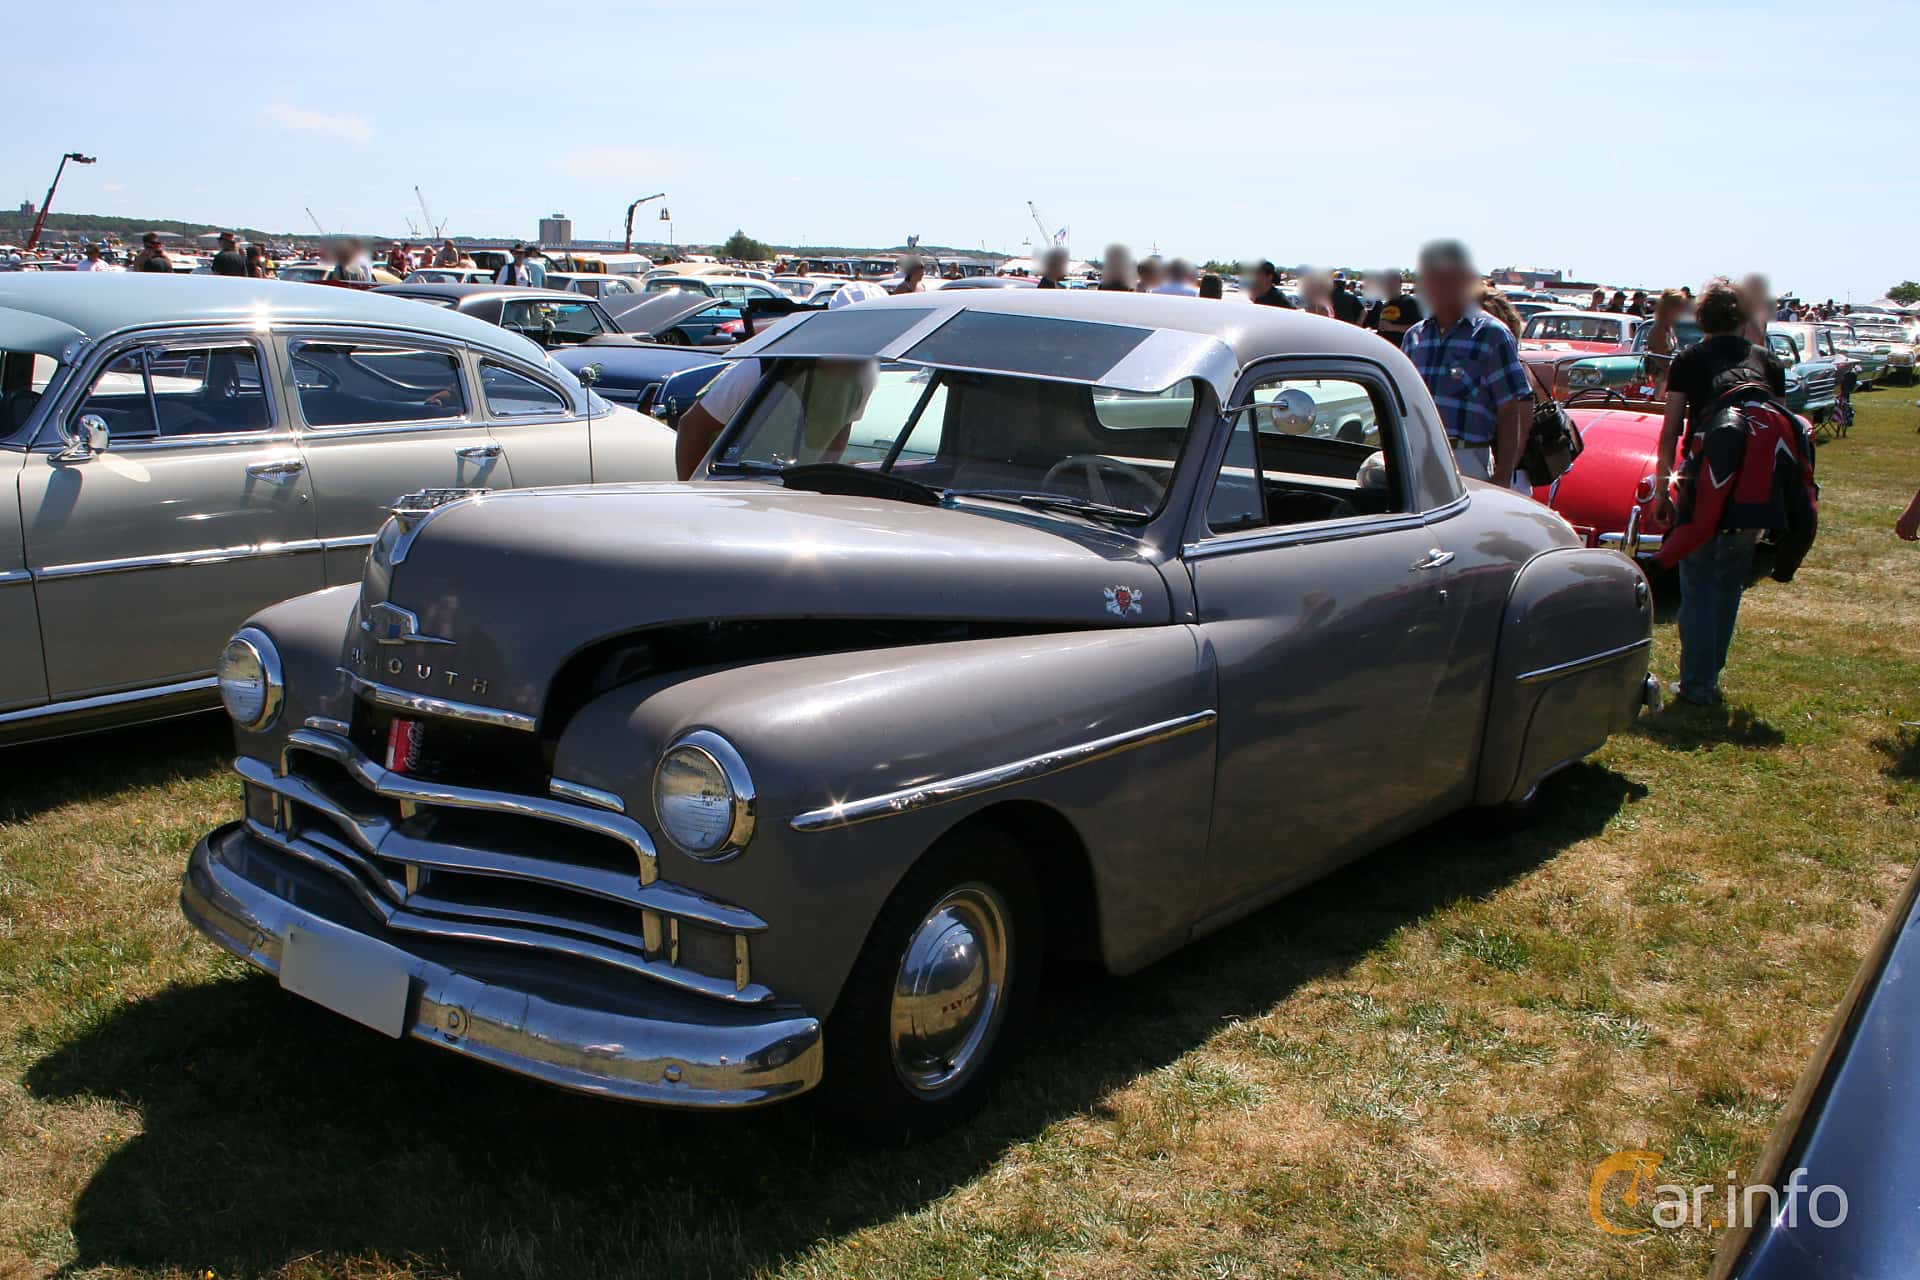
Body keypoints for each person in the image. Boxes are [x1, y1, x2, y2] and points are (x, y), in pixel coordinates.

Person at [1650, 280, 1793, 706]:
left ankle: (1696, 684)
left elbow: (1670, 430)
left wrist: (1662, 489)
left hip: (1703, 485)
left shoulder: (1689, 360)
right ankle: (1708, 676)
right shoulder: (1768, 362)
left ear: (1703, 318)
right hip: (1753, 487)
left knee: (1697, 583)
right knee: (1729, 584)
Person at [670, 282, 888, 479]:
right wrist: (694, 493)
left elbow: (839, 434)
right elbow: (693, 427)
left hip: (788, 495)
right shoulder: (763, 365)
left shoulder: (865, 375)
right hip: (729, 488)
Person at [1400, 240, 1533, 489]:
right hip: (1416, 454)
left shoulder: (1491, 335)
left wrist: (1504, 474)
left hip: (1467, 457)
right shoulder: (1415, 336)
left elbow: (1511, 410)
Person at [1642, 288, 1688, 391]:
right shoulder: (1659, 329)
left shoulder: (1668, 327)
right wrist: (1675, 381)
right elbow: (1661, 361)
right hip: (1658, 381)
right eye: (1680, 307)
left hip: (1665, 378)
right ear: (1670, 308)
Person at [1362, 270, 1420, 346]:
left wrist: (1392, 327)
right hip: (1385, 348)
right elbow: (1383, 329)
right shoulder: (1385, 304)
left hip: (1401, 349)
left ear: (1399, 285)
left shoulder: (1410, 301)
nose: (1388, 286)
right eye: (1386, 283)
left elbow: (1418, 329)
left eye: (1391, 283)